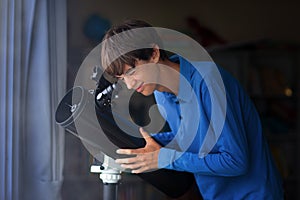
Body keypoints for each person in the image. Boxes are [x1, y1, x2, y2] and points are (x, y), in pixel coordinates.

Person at [100, 19, 284, 199]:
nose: (130, 85)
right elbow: (190, 138)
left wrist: (165, 158)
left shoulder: (209, 83)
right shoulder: (159, 92)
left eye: (131, 72)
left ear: (154, 54)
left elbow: (235, 161)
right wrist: (141, 143)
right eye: (122, 78)